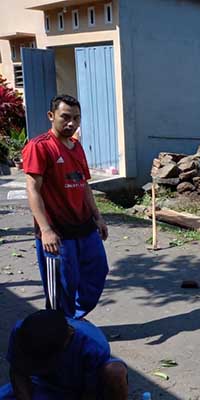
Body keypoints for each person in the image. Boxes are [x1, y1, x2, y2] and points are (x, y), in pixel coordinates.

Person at [22, 95, 109, 318]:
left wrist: (97, 216)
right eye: (65, 117)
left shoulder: (77, 147)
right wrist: (46, 230)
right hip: (57, 233)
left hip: (84, 227)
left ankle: (72, 320)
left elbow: (84, 185)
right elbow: (32, 189)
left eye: (76, 118)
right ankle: (60, 330)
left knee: (98, 271)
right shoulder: (39, 147)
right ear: (51, 116)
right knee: (62, 287)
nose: (71, 123)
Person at [0, 310, 128, 400]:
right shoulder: (21, 331)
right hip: (42, 385)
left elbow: (90, 393)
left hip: (79, 390)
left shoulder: (93, 346)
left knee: (115, 371)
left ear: (69, 335)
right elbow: (17, 372)